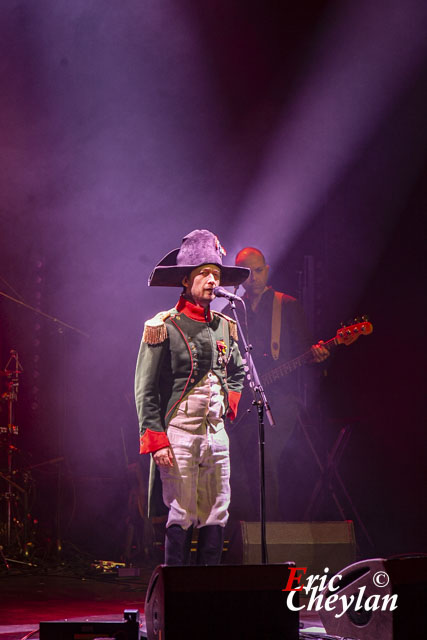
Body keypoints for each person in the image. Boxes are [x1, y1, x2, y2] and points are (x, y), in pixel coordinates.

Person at [134, 230, 249, 565]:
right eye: (204, 274)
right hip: (179, 434)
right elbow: (146, 389)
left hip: (216, 435)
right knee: (182, 512)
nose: (213, 280)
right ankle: (177, 595)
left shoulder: (227, 326)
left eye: (216, 274)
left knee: (216, 511)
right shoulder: (163, 326)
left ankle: (209, 593)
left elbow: (239, 371)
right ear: (186, 280)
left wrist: (231, 400)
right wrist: (156, 440)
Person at [223, 247, 329, 521]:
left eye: (259, 271)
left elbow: (307, 350)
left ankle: (268, 535)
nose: (254, 278)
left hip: (280, 400)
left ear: (267, 270)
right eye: (248, 273)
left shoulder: (287, 305)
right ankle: (243, 535)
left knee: (263, 459)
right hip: (243, 402)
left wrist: (319, 355)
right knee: (236, 467)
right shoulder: (232, 310)